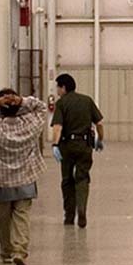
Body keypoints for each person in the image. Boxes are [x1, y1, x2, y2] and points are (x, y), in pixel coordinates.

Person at [0, 89, 49, 265]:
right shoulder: (29, 124)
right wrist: (21, 99)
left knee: (3, 216)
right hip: (26, 177)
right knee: (22, 215)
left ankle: (6, 251)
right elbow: (41, 107)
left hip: (2, 179)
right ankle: (20, 250)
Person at [50, 73, 105, 228]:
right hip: (84, 145)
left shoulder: (62, 104)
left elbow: (57, 127)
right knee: (82, 178)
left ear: (64, 87)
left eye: (58, 88)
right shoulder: (87, 100)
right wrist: (100, 139)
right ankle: (82, 209)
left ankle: (69, 215)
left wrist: (55, 145)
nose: (57, 91)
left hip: (67, 146)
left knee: (67, 180)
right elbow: (99, 122)